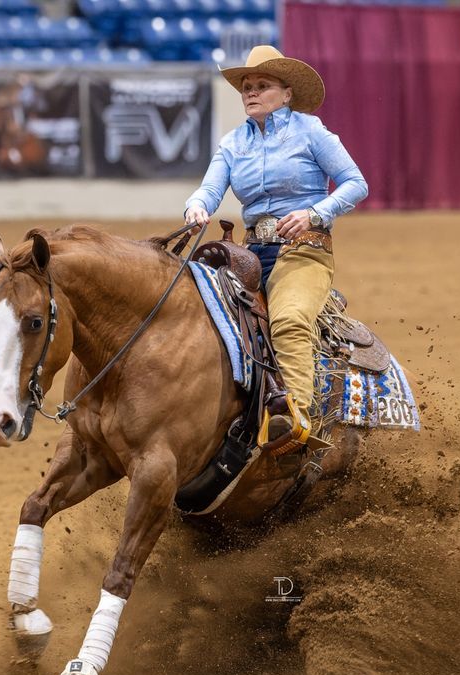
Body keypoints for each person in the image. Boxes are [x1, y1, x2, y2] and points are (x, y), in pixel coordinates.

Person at [184, 45, 368, 445]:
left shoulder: (311, 131)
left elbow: (356, 183)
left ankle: (296, 419)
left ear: (286, 94)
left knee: (288, 321)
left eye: (262, 84)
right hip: (249, 255)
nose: (250, 91)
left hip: (303, 250)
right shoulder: (233, 143)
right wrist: (197, 206)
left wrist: (314, 213)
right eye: (246, 86)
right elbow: (209, 189)